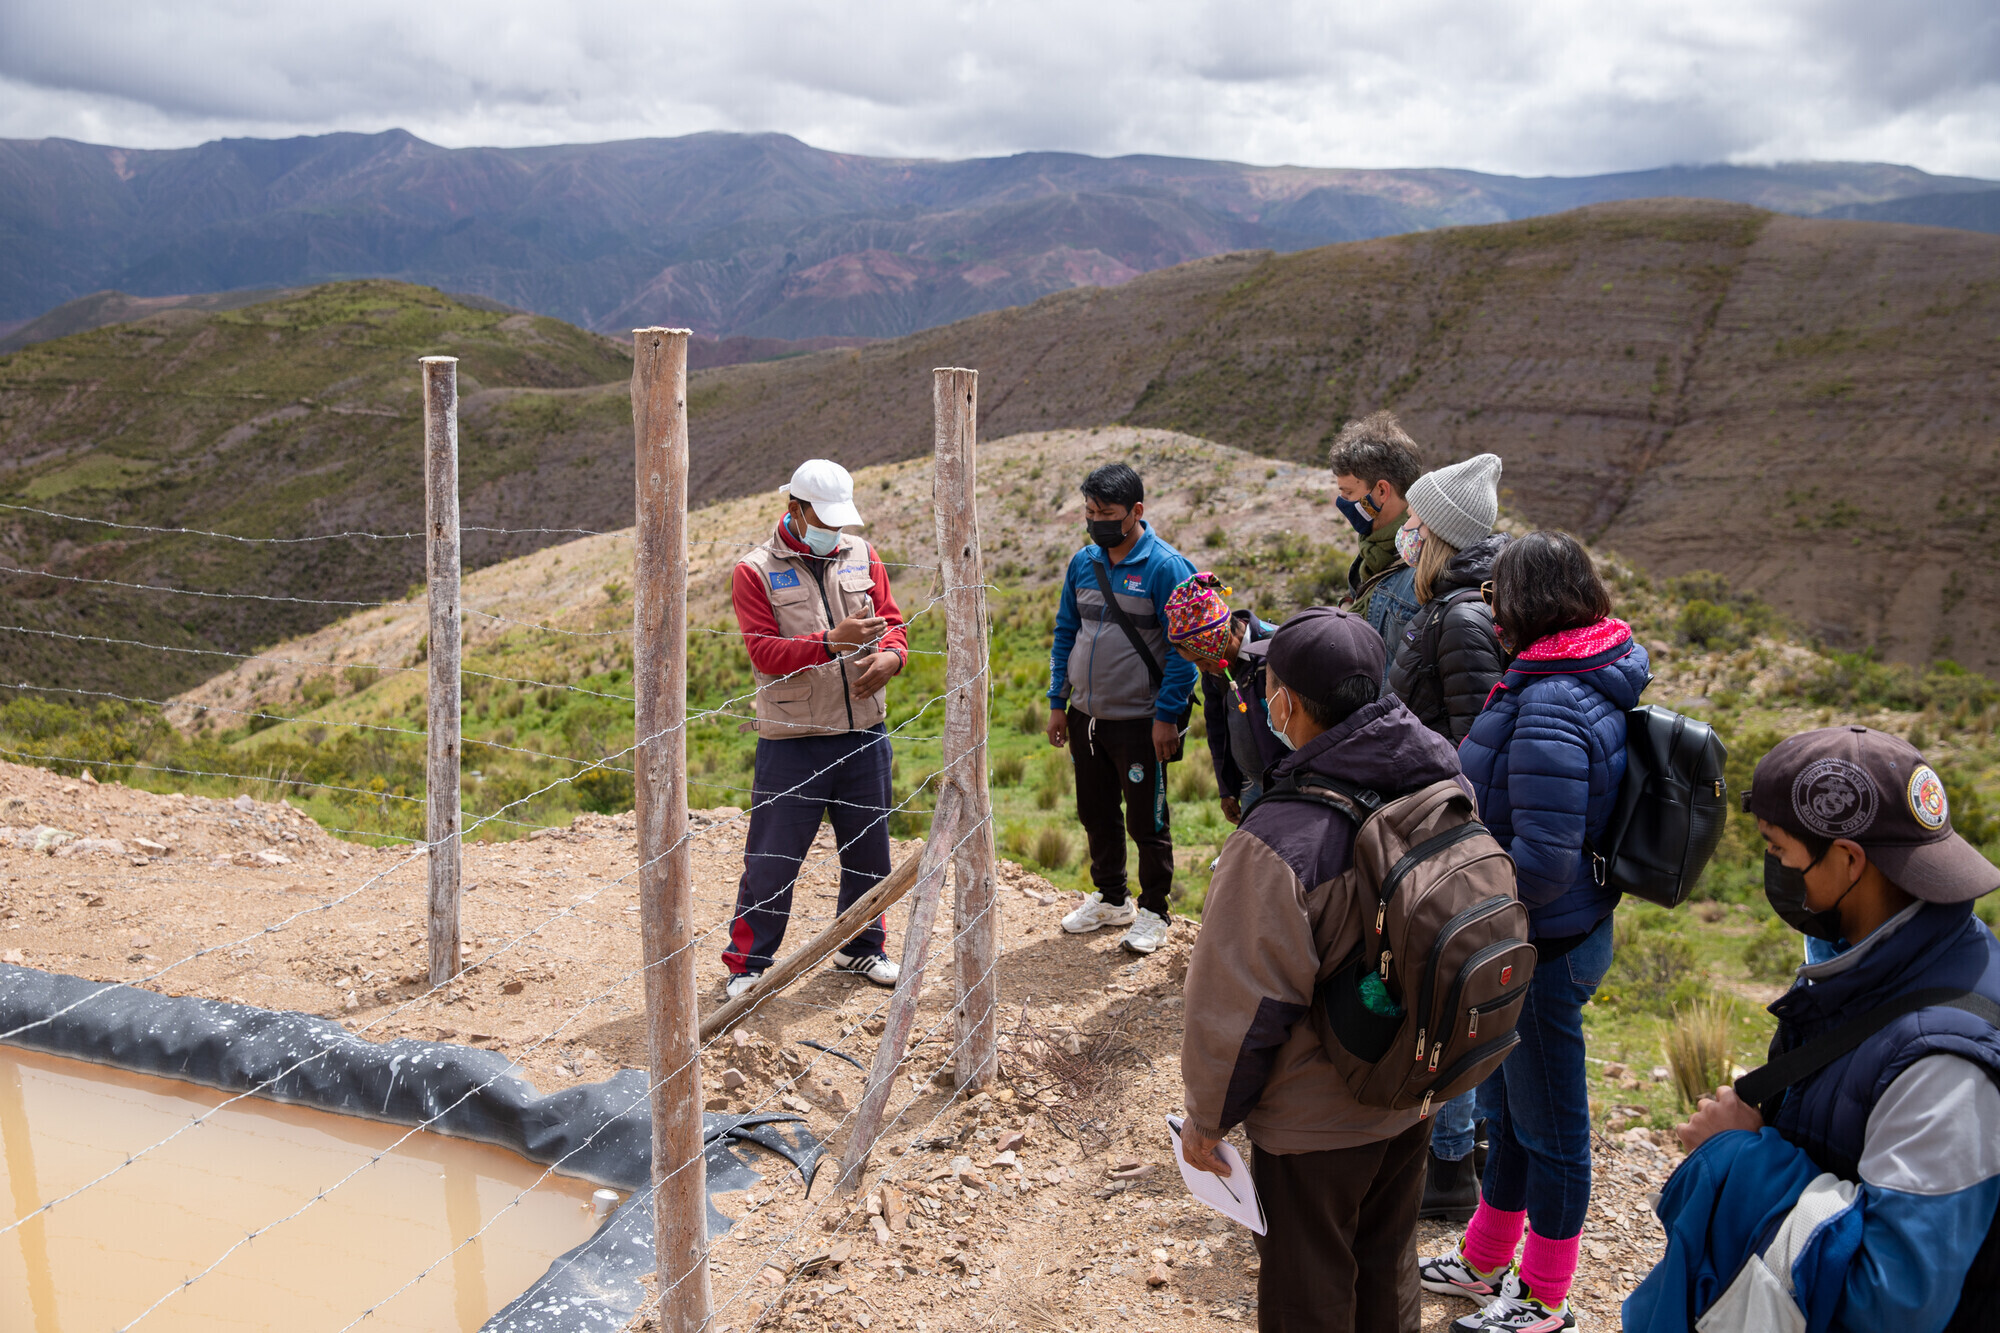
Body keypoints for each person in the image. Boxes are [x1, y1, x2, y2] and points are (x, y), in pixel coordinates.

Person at [1624, 726, 2000, 1333]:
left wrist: (1741, 1156)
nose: (1774, 869)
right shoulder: (1887, 965)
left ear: (1850, 860)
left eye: (1778, 851)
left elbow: (1892, 1302)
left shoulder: (1945, 1063)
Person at [1179, 606, 1468, 1333]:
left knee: (1309, 1294)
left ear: (1289, 704)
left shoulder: (1279, 839)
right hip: (1412, 1089)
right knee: (1386, 1268)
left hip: (1315, 1124)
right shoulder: (1438, 775)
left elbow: (1240, 1003)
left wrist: (1207, 1120)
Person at [1419, 531, 1648, 1332]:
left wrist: (1464, 887)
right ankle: (1485, 1261)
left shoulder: (1553, 698)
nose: (1488, 607)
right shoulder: (1571, 673)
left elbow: (1544, 859)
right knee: (1514, 1113)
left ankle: (1545, 1297)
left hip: (1542, 941)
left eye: (1497, 594)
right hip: (1547, 933)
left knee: (1552, 1127)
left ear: (1529, 602)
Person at [720, 459, 908, 1000]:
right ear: (795, 509)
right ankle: (749, 964)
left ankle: (861, 946)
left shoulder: (862, 554)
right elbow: (763, 651)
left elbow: (893, 623)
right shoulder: (753, 570)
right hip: (793, 738)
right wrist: (831, 641)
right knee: (773, 857)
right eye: (823, 519)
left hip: (863, 732)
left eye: (839, 521)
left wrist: (893, 658)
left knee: (870, 850)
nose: (834, 531)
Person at [1383, 453, 1510, 1224]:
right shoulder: (1464, 605)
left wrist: (1446, 842)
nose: (1406, 532)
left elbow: (1472, 744)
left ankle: (1451, 1163)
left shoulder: (1461, 619)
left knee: (1447, 997)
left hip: (1444, 833)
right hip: (1437, 825)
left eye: (1416, 522)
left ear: (1439, 537)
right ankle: (1466, 1147)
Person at [1047, 463, 1198, 955]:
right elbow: (1066, 633)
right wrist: (1057, 703)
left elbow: (1186, 651)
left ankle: (1154, 910)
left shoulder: (1167, 567)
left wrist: (1166, 717)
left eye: (1107, 513)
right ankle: (1113, 900)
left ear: (1136, 511)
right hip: (1086, 716)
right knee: (1095, 813)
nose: (1096, 521)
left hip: (1141, 722)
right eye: (1090, 512)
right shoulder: (1083, 563)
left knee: (1147, 822)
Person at [1164, 571, 1281, 824]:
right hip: (1251, 787)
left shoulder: (1277, 652)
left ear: (1219, 640)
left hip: (1289, 788)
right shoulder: (1216, 669)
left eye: (1201, 661)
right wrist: (1226, 788)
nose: (1202, 670)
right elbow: (1217, 727)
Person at [1328, 411, 1424, 674]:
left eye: (1348, 493)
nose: (1342, 503)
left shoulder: (1423, 566)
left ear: (1381, 491)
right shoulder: (1371, 553)